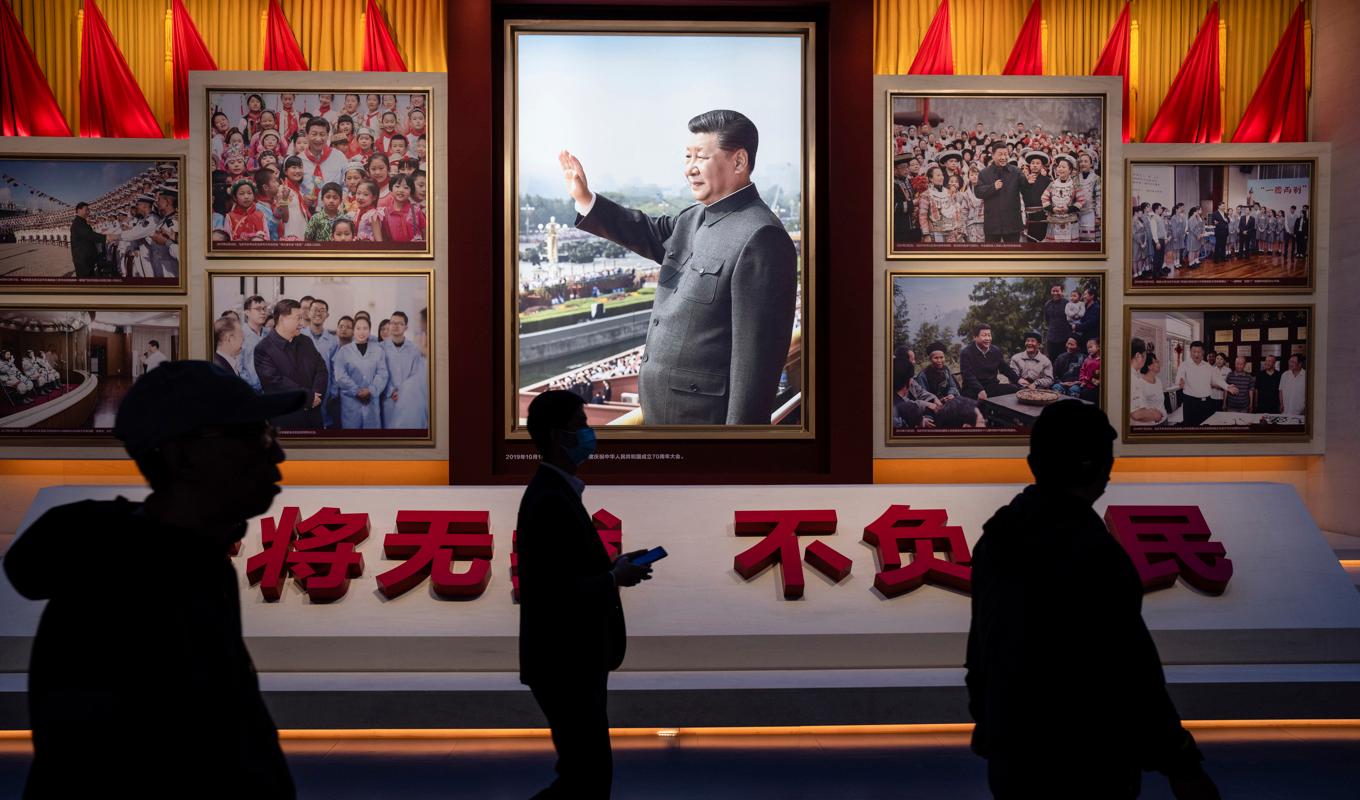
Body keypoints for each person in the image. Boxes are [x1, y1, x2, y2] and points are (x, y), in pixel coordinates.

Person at [3, 360, 300, 797]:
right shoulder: (120, 595)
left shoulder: (189, 559)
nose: (276, 453)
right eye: (254, 435)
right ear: (183, 456)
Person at [966, 402, 1220, 799]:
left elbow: (981, 647)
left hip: (1012, 749)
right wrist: (1180, 758)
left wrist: (989, 723)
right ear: (1096, 466)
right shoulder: (1092, 552)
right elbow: (1132, 667)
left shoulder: (997, 537)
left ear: (1035, 461)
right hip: (1087, 756)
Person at [561, 109, 797, 425]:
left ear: (738, 162)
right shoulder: (693, 218)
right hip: (662, 416)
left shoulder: (762, 236)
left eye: (701, 157)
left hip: (703, 427)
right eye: (687, 157)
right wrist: (586, 199)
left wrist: (740, 451)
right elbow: (644, 231)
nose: (690, 169)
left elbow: (755, 366)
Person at [517, 390, 654, 798]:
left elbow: (565, 573)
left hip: (570, 660)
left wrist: (612, 568)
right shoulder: (549, 499)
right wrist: (615, 579)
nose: (589, 433)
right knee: (587, 776)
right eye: (581, 424)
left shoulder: (556, 492)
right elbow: (555, 592)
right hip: (566, 660)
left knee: (583, 772)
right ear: (560, 436)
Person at [253, 299, 327, 429]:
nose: (302, 324)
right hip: (285, 419)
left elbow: (321, 369)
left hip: (313, 416)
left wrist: (316, 395)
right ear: (282, 319)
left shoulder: (306, 341)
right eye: (298, 318)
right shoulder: (263, 349)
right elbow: (276, 383)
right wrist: (308, 397)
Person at [331, 316, 388, 429]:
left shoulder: (378, 351)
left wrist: (370, 390)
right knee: (351, 440)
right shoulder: (344, 351)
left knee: (371, 440)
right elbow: (340, 376)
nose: (361, 332)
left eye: (365, 328)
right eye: (358, 328)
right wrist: (357, 391)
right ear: (353, 330)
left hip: (371, 401)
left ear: (369, 330)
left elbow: (382, 374)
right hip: (350, 402)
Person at [1174, 341, 1237, 426]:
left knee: (1205, 427)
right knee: (1190, 427)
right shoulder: (1184, 365)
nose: (1196, 354)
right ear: (1190, 352)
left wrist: (1227, 386)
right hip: (1190, 402)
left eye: (1199, 352)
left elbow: (1217, 380)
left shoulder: (1208, 366)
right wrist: (1180, 381)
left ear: (1203, 352)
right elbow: (1179, 378)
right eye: (1194, 351)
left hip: (1206, 403)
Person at [386, 308, 430, 429]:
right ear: (389, 325)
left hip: (411, 398)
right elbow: (380, 373)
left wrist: (402, 391)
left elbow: (416, 373)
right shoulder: (380, 349)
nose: (395, 326)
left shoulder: (415, 349)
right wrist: (391, 391)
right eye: (393, 323)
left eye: (400, 324)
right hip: (388, 399)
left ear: (406, 327)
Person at [299, 298, 339, 428]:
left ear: (327, 315)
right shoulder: (298, 337)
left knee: (321, 424)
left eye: (322, 310)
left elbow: (335, 369)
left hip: (325, 390)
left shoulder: (333, 341)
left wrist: (333, 391)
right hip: (303, 388)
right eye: (315, 309)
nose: (318, 313)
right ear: (308, 313)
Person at [976, 143, 1025, 243]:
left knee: (1013, 254)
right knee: (991, 255)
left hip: (1012, 222)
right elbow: (978, 192)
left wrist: (1029, 182)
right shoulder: (984, 173)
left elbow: (1026, 189)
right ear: (993, 155)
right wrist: (993, 187)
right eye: (1000, 154)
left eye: (1006, 154)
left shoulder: (1016, 171)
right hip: (993, 223)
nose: (1003, 157)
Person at [959, 324, 1019, 401]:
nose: (987, 338)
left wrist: (1018, 379)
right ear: (975, 337)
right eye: (984, 335)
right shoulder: (966, 353)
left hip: (992, 387)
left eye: (989, 335)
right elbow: (968, 376)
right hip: (973, 389)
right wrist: (980, 390)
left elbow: (1005, 368)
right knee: (981, 405)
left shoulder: (995, 351)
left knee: (1014, 389)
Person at [69, 202, 105, 278]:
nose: (88, 212)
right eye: (86, 210)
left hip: (86, 258)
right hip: (83, 260)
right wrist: (106, 237)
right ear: (79, 210)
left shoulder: (82, 222)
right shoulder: (78, 223)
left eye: (89, 210)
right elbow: (90, 235)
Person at [1130, 351, 1167, 425]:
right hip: (1152, 424)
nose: (1159, 363)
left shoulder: (1158, 381)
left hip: (1164, 421)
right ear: (1149, 366)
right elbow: (1139, 411)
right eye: (1156, 361)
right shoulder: (1140, 383)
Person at [1042, 284, 1069, 364]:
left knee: (1063, 360)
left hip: (1064, 337)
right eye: (1053, 291)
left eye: (1057, 291)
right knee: (1052, 359)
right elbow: (1047, 320)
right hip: (1051, 337)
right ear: (1051, 292)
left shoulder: (1067, 303)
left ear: (1062, 292)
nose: (1055, 293)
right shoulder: (1047, 304)